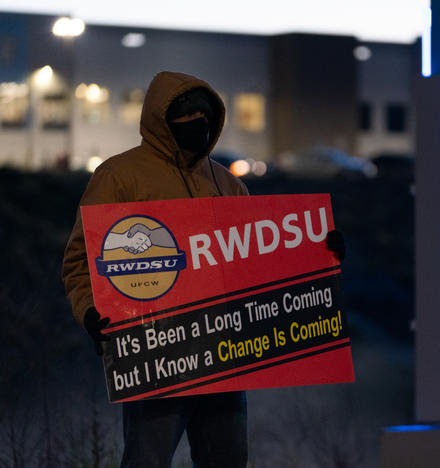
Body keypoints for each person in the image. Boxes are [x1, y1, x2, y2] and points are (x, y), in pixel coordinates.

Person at [62, 71, 345, 467]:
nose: (199, 122)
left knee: (227, 459)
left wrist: (319, 254)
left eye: (206, 114)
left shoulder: (228, 184)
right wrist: (91, 312)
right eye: (187, 113)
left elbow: (258, 260)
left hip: (223, 352)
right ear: (162, 117)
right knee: (147, 458)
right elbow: (80, 259)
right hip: (155, 354)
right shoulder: (119, 177)